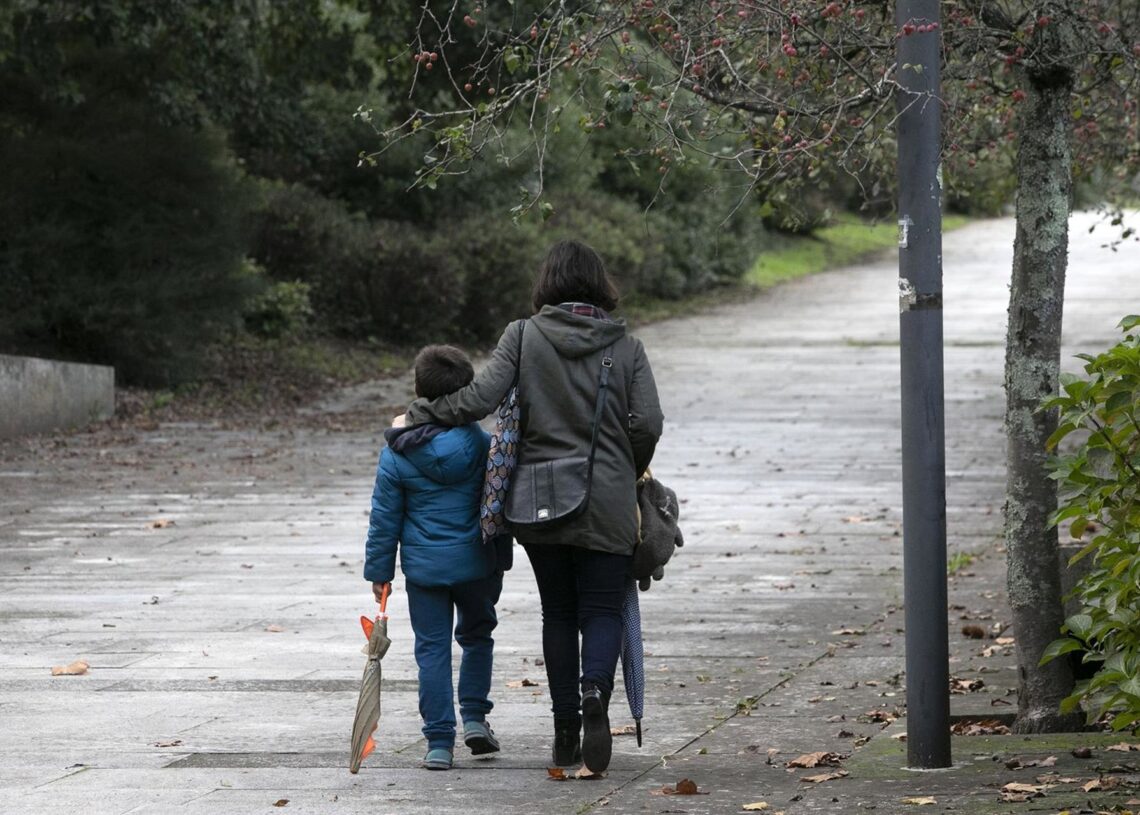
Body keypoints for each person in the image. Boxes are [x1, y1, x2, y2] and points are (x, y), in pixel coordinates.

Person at [404, 240, 664, 773]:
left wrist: (424, 412)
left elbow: (479, 399)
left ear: (548, 283)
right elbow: (649, 423)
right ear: (600, 284)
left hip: (540, 502)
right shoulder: (628, 347)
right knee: (600, 608)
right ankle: (595, 691)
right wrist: (625, 465)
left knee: (559, 612)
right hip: (610, 501)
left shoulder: (522, 336)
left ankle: (566, 727)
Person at [363, 345, 508, 772]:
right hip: (477, 564)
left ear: (419, 390)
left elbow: (385, 517)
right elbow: (497, 504)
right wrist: (501, 557)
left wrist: (380, 572)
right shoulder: (484, 444)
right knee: (477, 636)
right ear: (467, 392)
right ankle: (476, 717)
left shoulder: (398, 450)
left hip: (425, 569)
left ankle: (439, 742)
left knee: (432, 650)